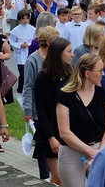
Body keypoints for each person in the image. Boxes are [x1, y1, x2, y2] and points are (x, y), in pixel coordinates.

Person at [56, 54, 105, 187]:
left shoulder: (102, 94)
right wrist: (90, 151)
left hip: (99, 149)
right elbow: (64, 132)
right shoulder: (65, 96)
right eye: (100, 70)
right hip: (72, 153)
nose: (103, 74)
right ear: (87, 73)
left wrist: (100, 151)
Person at [34, 37, 73, 185]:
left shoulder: (70, 73)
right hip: (51, 132)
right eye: (69, 51)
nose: (72, 54)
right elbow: (41, 110)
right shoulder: (43, 77)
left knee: (69, 177)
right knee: (57, 178)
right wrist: (50, 137)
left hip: (68, 130)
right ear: (59, 54)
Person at [22, 26, 60, 181]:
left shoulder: (56, 59)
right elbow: (28, 85)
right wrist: (27, 110)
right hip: (39, 110)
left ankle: (55, 173)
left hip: (55, 109)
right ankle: (44, 175)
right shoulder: (33, 60)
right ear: (49, 42)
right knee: (43, 142)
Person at [10, 9, 35, 96]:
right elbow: (12, 41)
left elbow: (35, 40)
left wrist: (29, 44)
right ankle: (20, 89)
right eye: (23, 18)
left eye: (26, 18)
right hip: (20, 54)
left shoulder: (33, 29)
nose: (25, 20)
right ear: (19, 19)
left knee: (30, 71)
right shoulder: (15, 30)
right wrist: (20, 45)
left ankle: (29, 88)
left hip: (30, 52)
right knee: (22, 72)